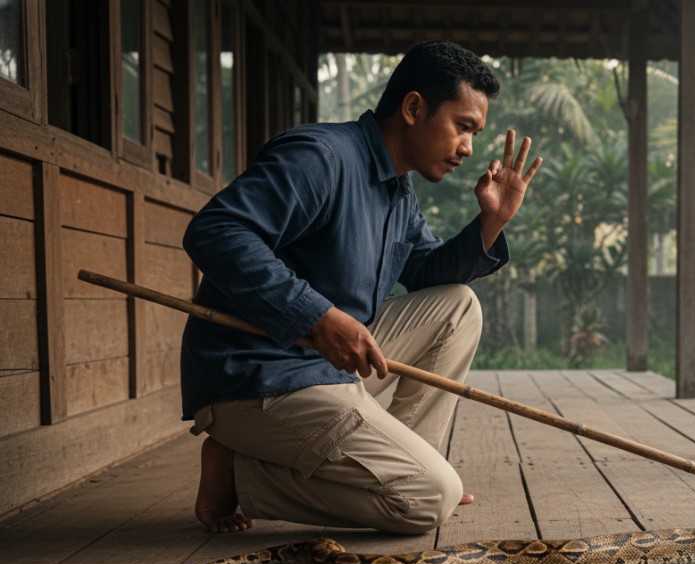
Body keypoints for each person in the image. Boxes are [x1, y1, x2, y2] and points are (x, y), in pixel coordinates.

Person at [180, 41, 541, 535]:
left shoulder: (397, 187)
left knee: (457, 307)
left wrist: (491, 222)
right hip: (260, 374)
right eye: (463, 127)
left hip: (326, 366)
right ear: (414, 108)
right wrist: (316, 316)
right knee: (428, 501)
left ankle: (405, 461)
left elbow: (427, 271)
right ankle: (237, 477)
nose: (468, 149)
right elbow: (214, 232)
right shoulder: (321, 157)